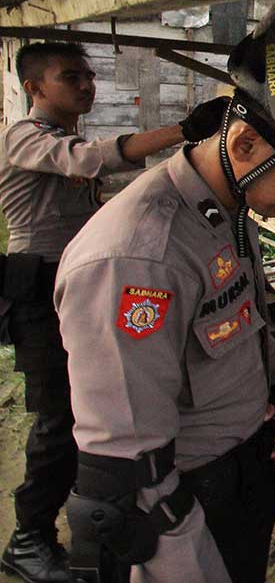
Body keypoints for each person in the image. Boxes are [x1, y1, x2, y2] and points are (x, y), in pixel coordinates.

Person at [52, 7, 275, 583]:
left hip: (241, 472)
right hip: (184, 503)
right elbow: (127, 466)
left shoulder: (228, 212)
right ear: (247, 143)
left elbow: (238, 317)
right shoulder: (139, 257)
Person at [0, 41, 226, 583]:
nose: (86, 85)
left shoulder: (64, 137)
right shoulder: (24, 136)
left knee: (94, 412)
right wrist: (184, 131)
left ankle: (101, 520)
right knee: (60, 419)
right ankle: (29, 539)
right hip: (40, 289)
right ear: (34, 87)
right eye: (70, 77)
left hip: (81, 282)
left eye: (88, 75)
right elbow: (92, 160)